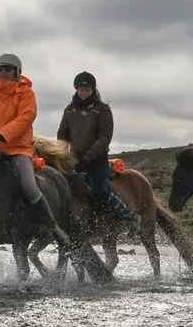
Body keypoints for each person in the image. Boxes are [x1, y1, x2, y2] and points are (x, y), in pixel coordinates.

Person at [0, 53, 68, 235]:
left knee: (29, 187)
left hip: (18, 149)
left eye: (7, 69)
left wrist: (1, 135)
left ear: (17, 71)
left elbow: (26, 117)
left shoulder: (26, 93)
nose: (3, 73)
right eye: (0, 69)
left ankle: (53, 226)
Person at [57, 71, 137, 223]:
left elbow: (104, 137)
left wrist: (88, 157)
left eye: (87, 90)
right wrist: (61, 155)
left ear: (93, 90)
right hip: (74, 159)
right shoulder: (69, 111)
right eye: (81, 90)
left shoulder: (103, 109)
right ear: (76, 90)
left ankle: (129, 217)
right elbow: (62, 136)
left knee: (100, 188)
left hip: (97, 159)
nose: (84, 93)